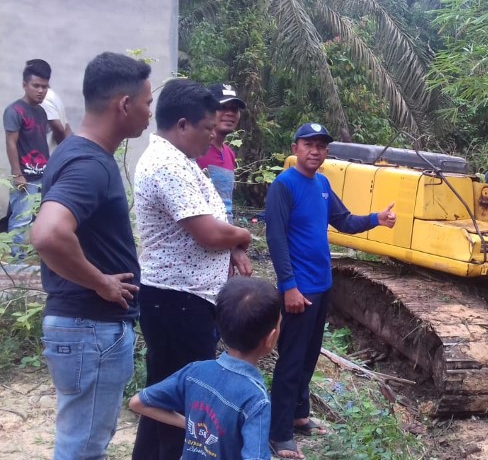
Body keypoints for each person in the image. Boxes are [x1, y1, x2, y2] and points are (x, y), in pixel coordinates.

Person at [30, 52, 152, 460]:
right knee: (82, 449)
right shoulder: (90, 164)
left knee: (80, 441)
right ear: (124, 105)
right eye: (147, 103)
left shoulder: (73, 152)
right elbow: (48, 234)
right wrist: (99, 281)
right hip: (90, 328)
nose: (149, 113)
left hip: (82, 328)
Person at [132, 78, 253, 460]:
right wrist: (242, 235)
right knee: (178, 406)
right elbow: (208, 232)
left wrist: (230, 241)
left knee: (162, 399)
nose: (210, 136)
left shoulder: (179, 160)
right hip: (177, 303)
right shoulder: (167, 164)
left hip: (183, 300)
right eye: (205, 128)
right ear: (182, 124)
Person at [265, 122, 397, 459]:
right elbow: (276, 239)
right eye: (308, 144)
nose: (315, 151)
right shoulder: (284, 185)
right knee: (291, 360)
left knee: (308, 357)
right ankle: (278, 433)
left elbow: (345, 221)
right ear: (295, 148)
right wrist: (289, 287)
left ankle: (298, 415)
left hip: (321, 287)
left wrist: (376, 218)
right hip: (299, 290)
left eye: (321, 146)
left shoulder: (322, 184)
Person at [129, 276, 282, 460]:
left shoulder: (195, 372)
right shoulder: (256, 399)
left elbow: (138, 403)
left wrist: (191, 424)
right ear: (271, 338)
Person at [3, 59, 51, 259]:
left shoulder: (41, 111)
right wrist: (17, 174)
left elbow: (41, 141)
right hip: (25, 177)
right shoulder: (14, 111)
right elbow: (11, 143)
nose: (40, 90)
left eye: (45, 86)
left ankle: (28, 258)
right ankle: (15, 261)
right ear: (25, 85)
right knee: (21, 219)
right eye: (36, 86)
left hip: (42, 175)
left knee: (39, 219)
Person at [196, 83, 245, 223]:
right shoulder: (195, 150)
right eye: (222, 107)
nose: (230, 113)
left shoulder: (229, 153)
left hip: (225, 234)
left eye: (234, 109)